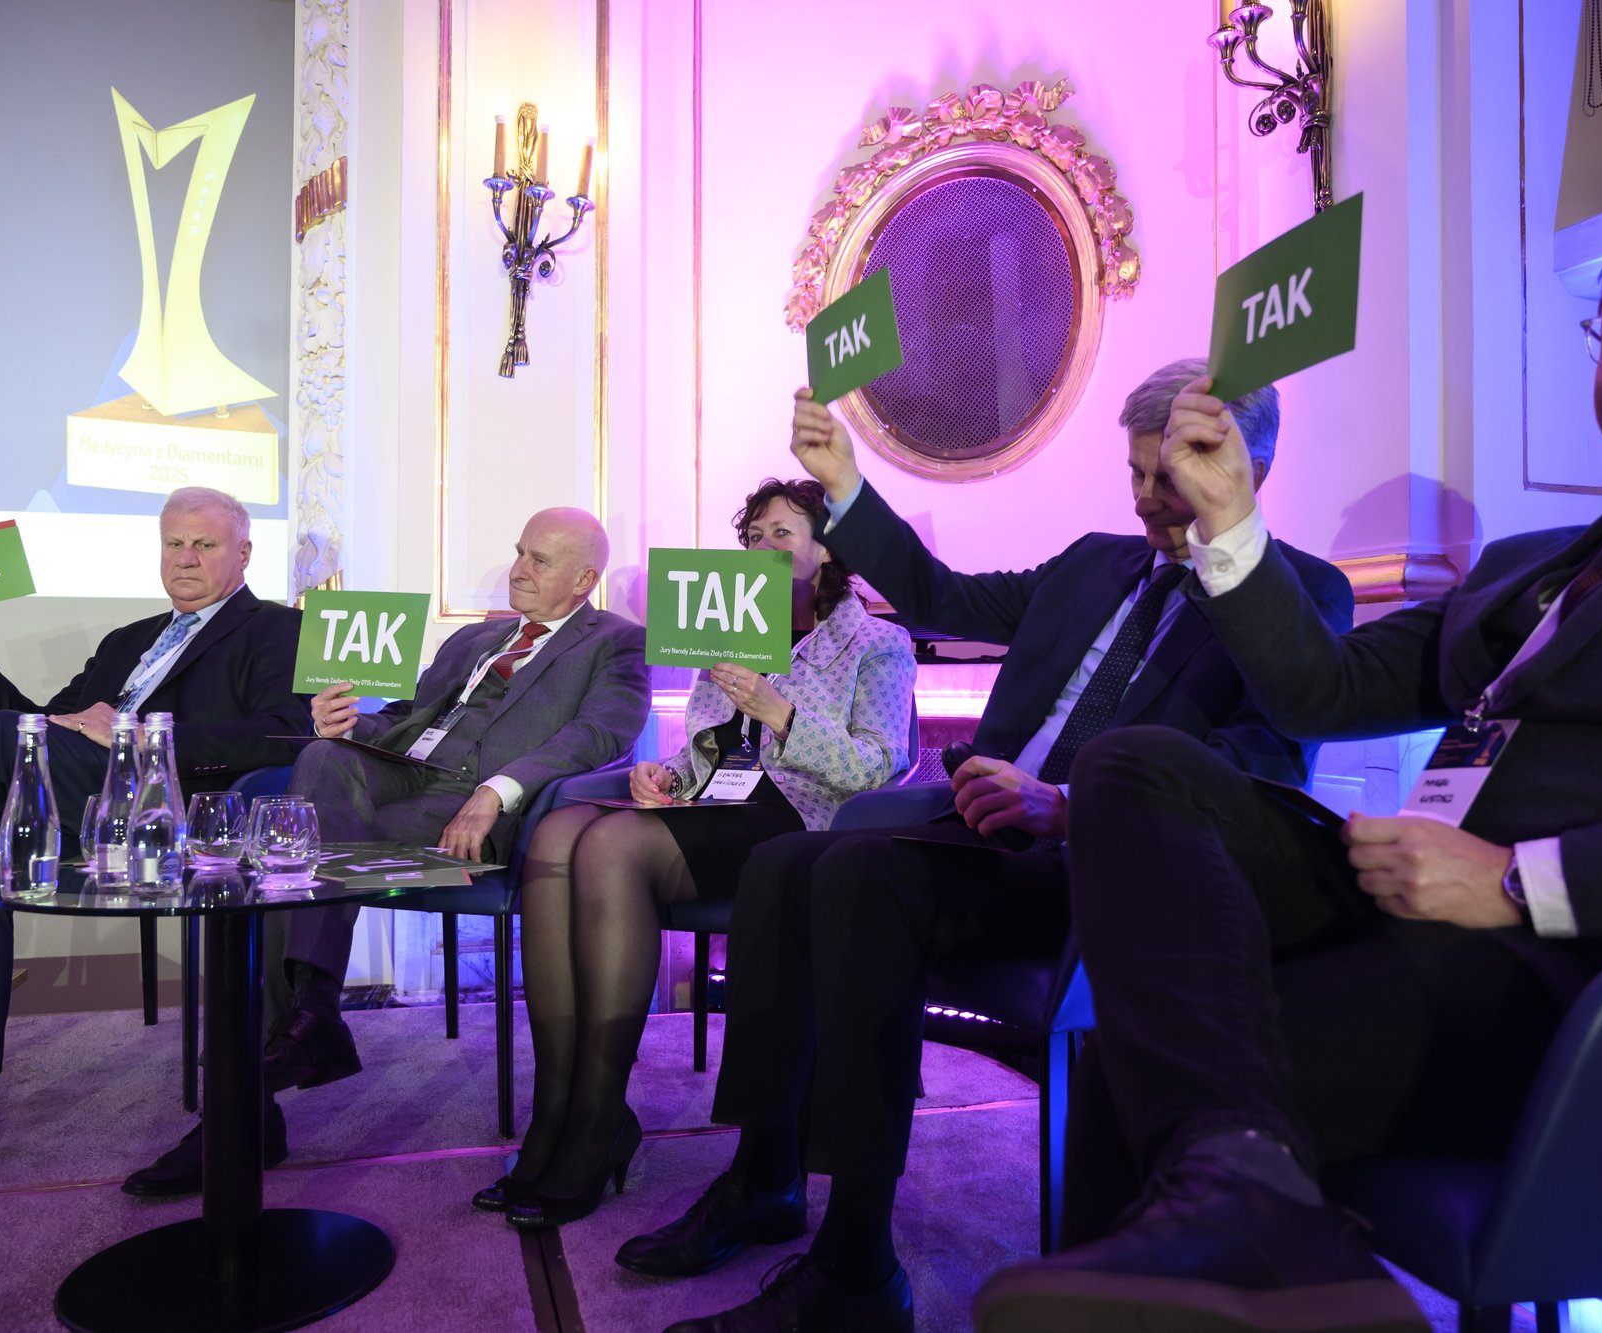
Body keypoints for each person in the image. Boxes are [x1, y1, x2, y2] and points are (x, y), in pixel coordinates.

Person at [975, 208, 1602, 1333]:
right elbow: (1322, 692)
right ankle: (1253, 1211)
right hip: (1410, 905)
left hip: (1594, 982)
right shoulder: (1535, 566)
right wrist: (1229, 518)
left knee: (1144, 1063)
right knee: (1138, 765)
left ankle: (1244, 1213)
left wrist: (1520, 879)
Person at [624, 361, 1353, 1333]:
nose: (1144, 499)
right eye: (1134, 473)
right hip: (981, 835)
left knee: (856, 870)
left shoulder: (1299, 594)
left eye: (1169, 478)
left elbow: (1257, 773)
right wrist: (845, 483)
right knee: (782, 863)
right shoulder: (1093, 563)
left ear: (1244, 470)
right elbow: (939, 596)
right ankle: (764, 1175)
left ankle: (853, 1273)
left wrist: (1068, 805)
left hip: (1105, 867)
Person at [121, 506, 651, 1197]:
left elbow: (599, 736)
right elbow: (407, 722)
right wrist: (348, 724)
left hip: (475, 811)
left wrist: (496, 791)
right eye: (520, 551)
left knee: (282, 871)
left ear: (584, 579)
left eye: (539, 561)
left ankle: (253, 1098)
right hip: (405, 781)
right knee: (314, 778)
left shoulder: (616, 643)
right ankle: (311, 1008)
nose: (519, 569)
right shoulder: (476, 639)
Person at [0, 487, 309, 1198]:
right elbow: (40, 734)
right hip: (90, 812)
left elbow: (284, 735)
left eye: (204, 544)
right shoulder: (127, 640)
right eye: (173, 543)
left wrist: (137, 736)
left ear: (244, 552)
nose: (184, 557)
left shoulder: (277, 628)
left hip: (177, 815)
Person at [474, 477, 917, 1229]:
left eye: (783, 534)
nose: (763, 548)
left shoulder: (876, 643)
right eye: (754, 537)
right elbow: (707, 753)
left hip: (802, 824)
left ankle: (598, 1117)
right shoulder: (729, 630)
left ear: (827, 549)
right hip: (720, 808)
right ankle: (557, 1112)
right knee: (559, 832)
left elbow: (878, 766)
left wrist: (780, 713)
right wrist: (664, 776)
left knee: (609, 844)